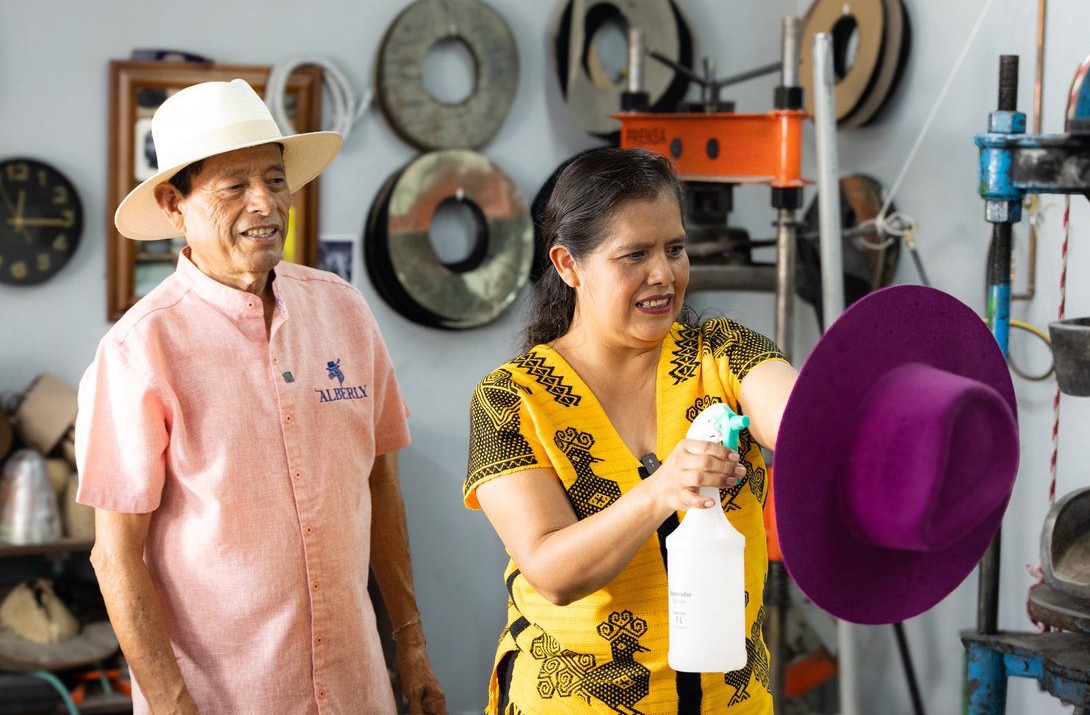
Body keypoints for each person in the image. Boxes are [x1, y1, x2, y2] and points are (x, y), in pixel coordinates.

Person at [75, 79, 447, 715]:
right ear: (173, 205)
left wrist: (410, 645)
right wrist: (171, 705)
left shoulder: (344, 311)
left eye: (276, 181)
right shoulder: (140, 350)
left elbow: (381, 484)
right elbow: (116, 557)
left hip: (357, 687)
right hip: (223, 700)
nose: (265, 204)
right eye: (234, 186)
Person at [463, 147, 799, 714]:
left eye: (675, 248)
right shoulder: (512, 398)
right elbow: (551, 572)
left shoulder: (721, 353)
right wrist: (659, 491)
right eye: (634, 254)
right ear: (569, 266)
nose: (663, 274)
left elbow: (801, 418)